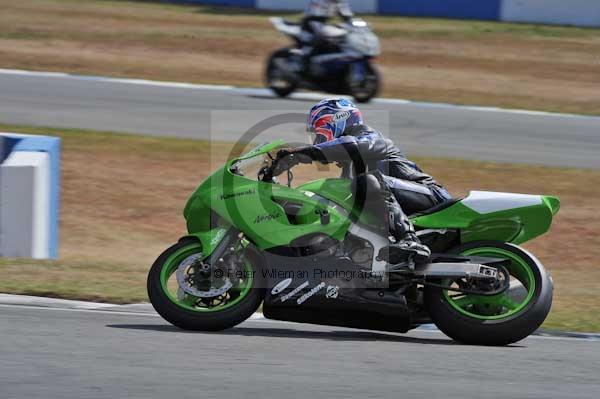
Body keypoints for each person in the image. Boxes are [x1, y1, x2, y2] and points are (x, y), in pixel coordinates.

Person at [275, 98, 453, 265]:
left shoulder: (370, 137)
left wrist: (303, 154)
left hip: (431, 195)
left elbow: (352, 146)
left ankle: (410, 240)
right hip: (404, 200)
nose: (317, 139)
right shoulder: (350, 169)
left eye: (319, 131)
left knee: (369, 180)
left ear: (337, 120)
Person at [296, 0, 355, 75]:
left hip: (322, 24)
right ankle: (303, 68)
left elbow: (347, 15)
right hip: (309, 24)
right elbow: (315, 17)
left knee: (340, 41)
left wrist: (352, 24)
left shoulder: (340, 2)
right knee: (312, 44)